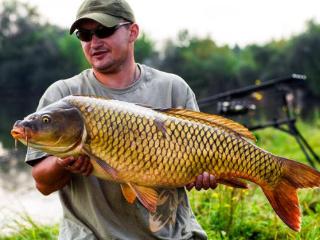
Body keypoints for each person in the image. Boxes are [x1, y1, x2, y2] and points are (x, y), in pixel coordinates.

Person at [26, 0, 218, 239]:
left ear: (132, 32)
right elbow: (43, 184)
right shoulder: (62, 96)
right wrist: (61, 163)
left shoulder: (173, 87)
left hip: (172, 234)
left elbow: (202, 159)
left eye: (104, 31)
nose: (94, 42)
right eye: (85, 35)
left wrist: (203, 173)